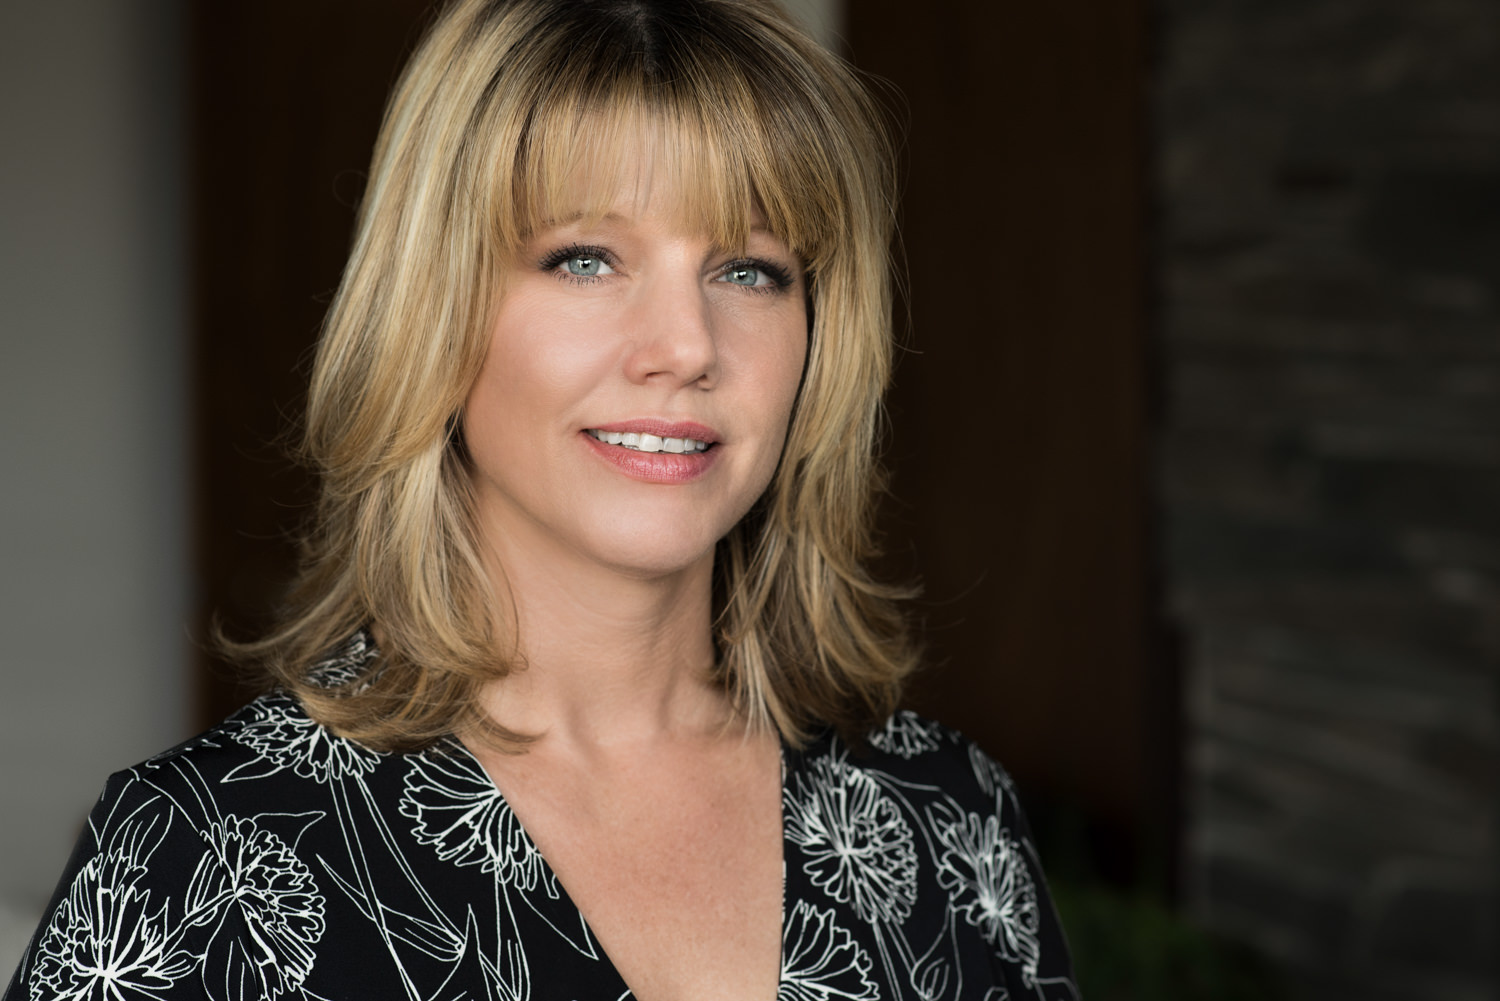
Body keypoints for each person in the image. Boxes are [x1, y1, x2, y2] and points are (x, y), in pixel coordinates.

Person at [5, 0, 1079, 998]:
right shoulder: (201, 861)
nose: (687, 347)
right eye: (585, 258)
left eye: (751, 270)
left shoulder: (948, 817)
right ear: (438, 309)